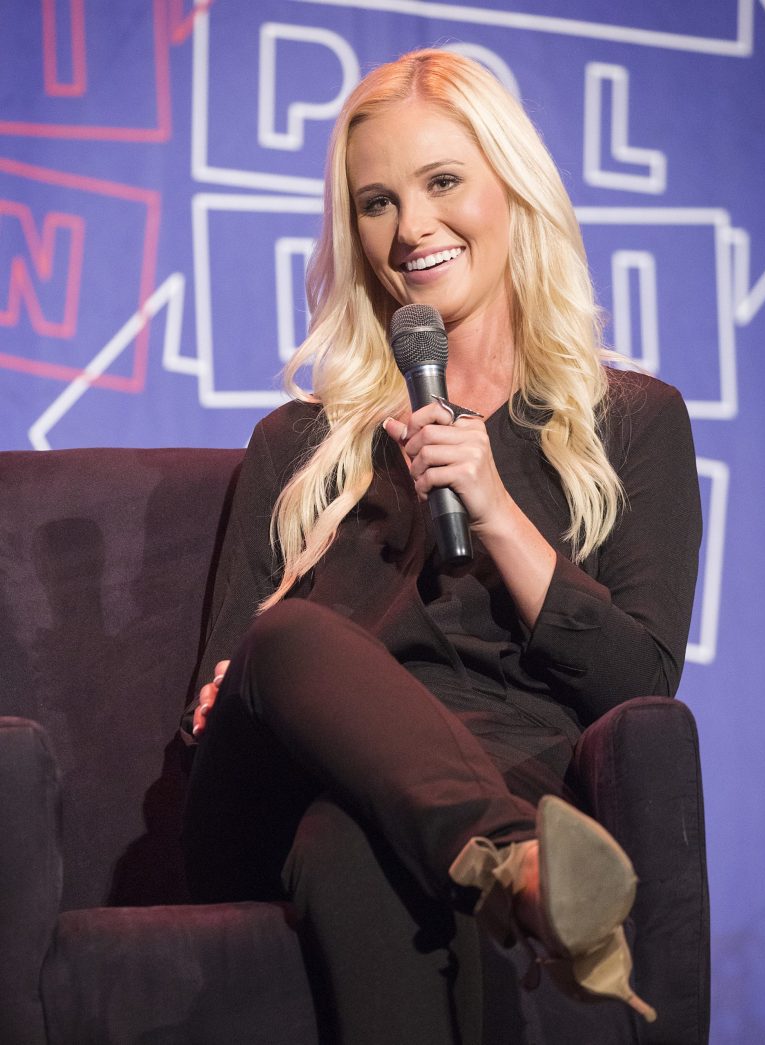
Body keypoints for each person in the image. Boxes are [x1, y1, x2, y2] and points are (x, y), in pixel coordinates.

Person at [181, 48, 701, 1044]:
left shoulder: (631, 421)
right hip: (286, 785)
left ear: (511, 187)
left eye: (443, 182)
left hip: (499, 771)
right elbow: (218, 700)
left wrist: (498, 509)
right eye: (376, 202)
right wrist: (224, 684)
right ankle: (515, 864)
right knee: (285, 639)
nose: (412, 226)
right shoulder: (299, 442)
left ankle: (492, 851)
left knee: (353, 847)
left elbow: (641, 682)